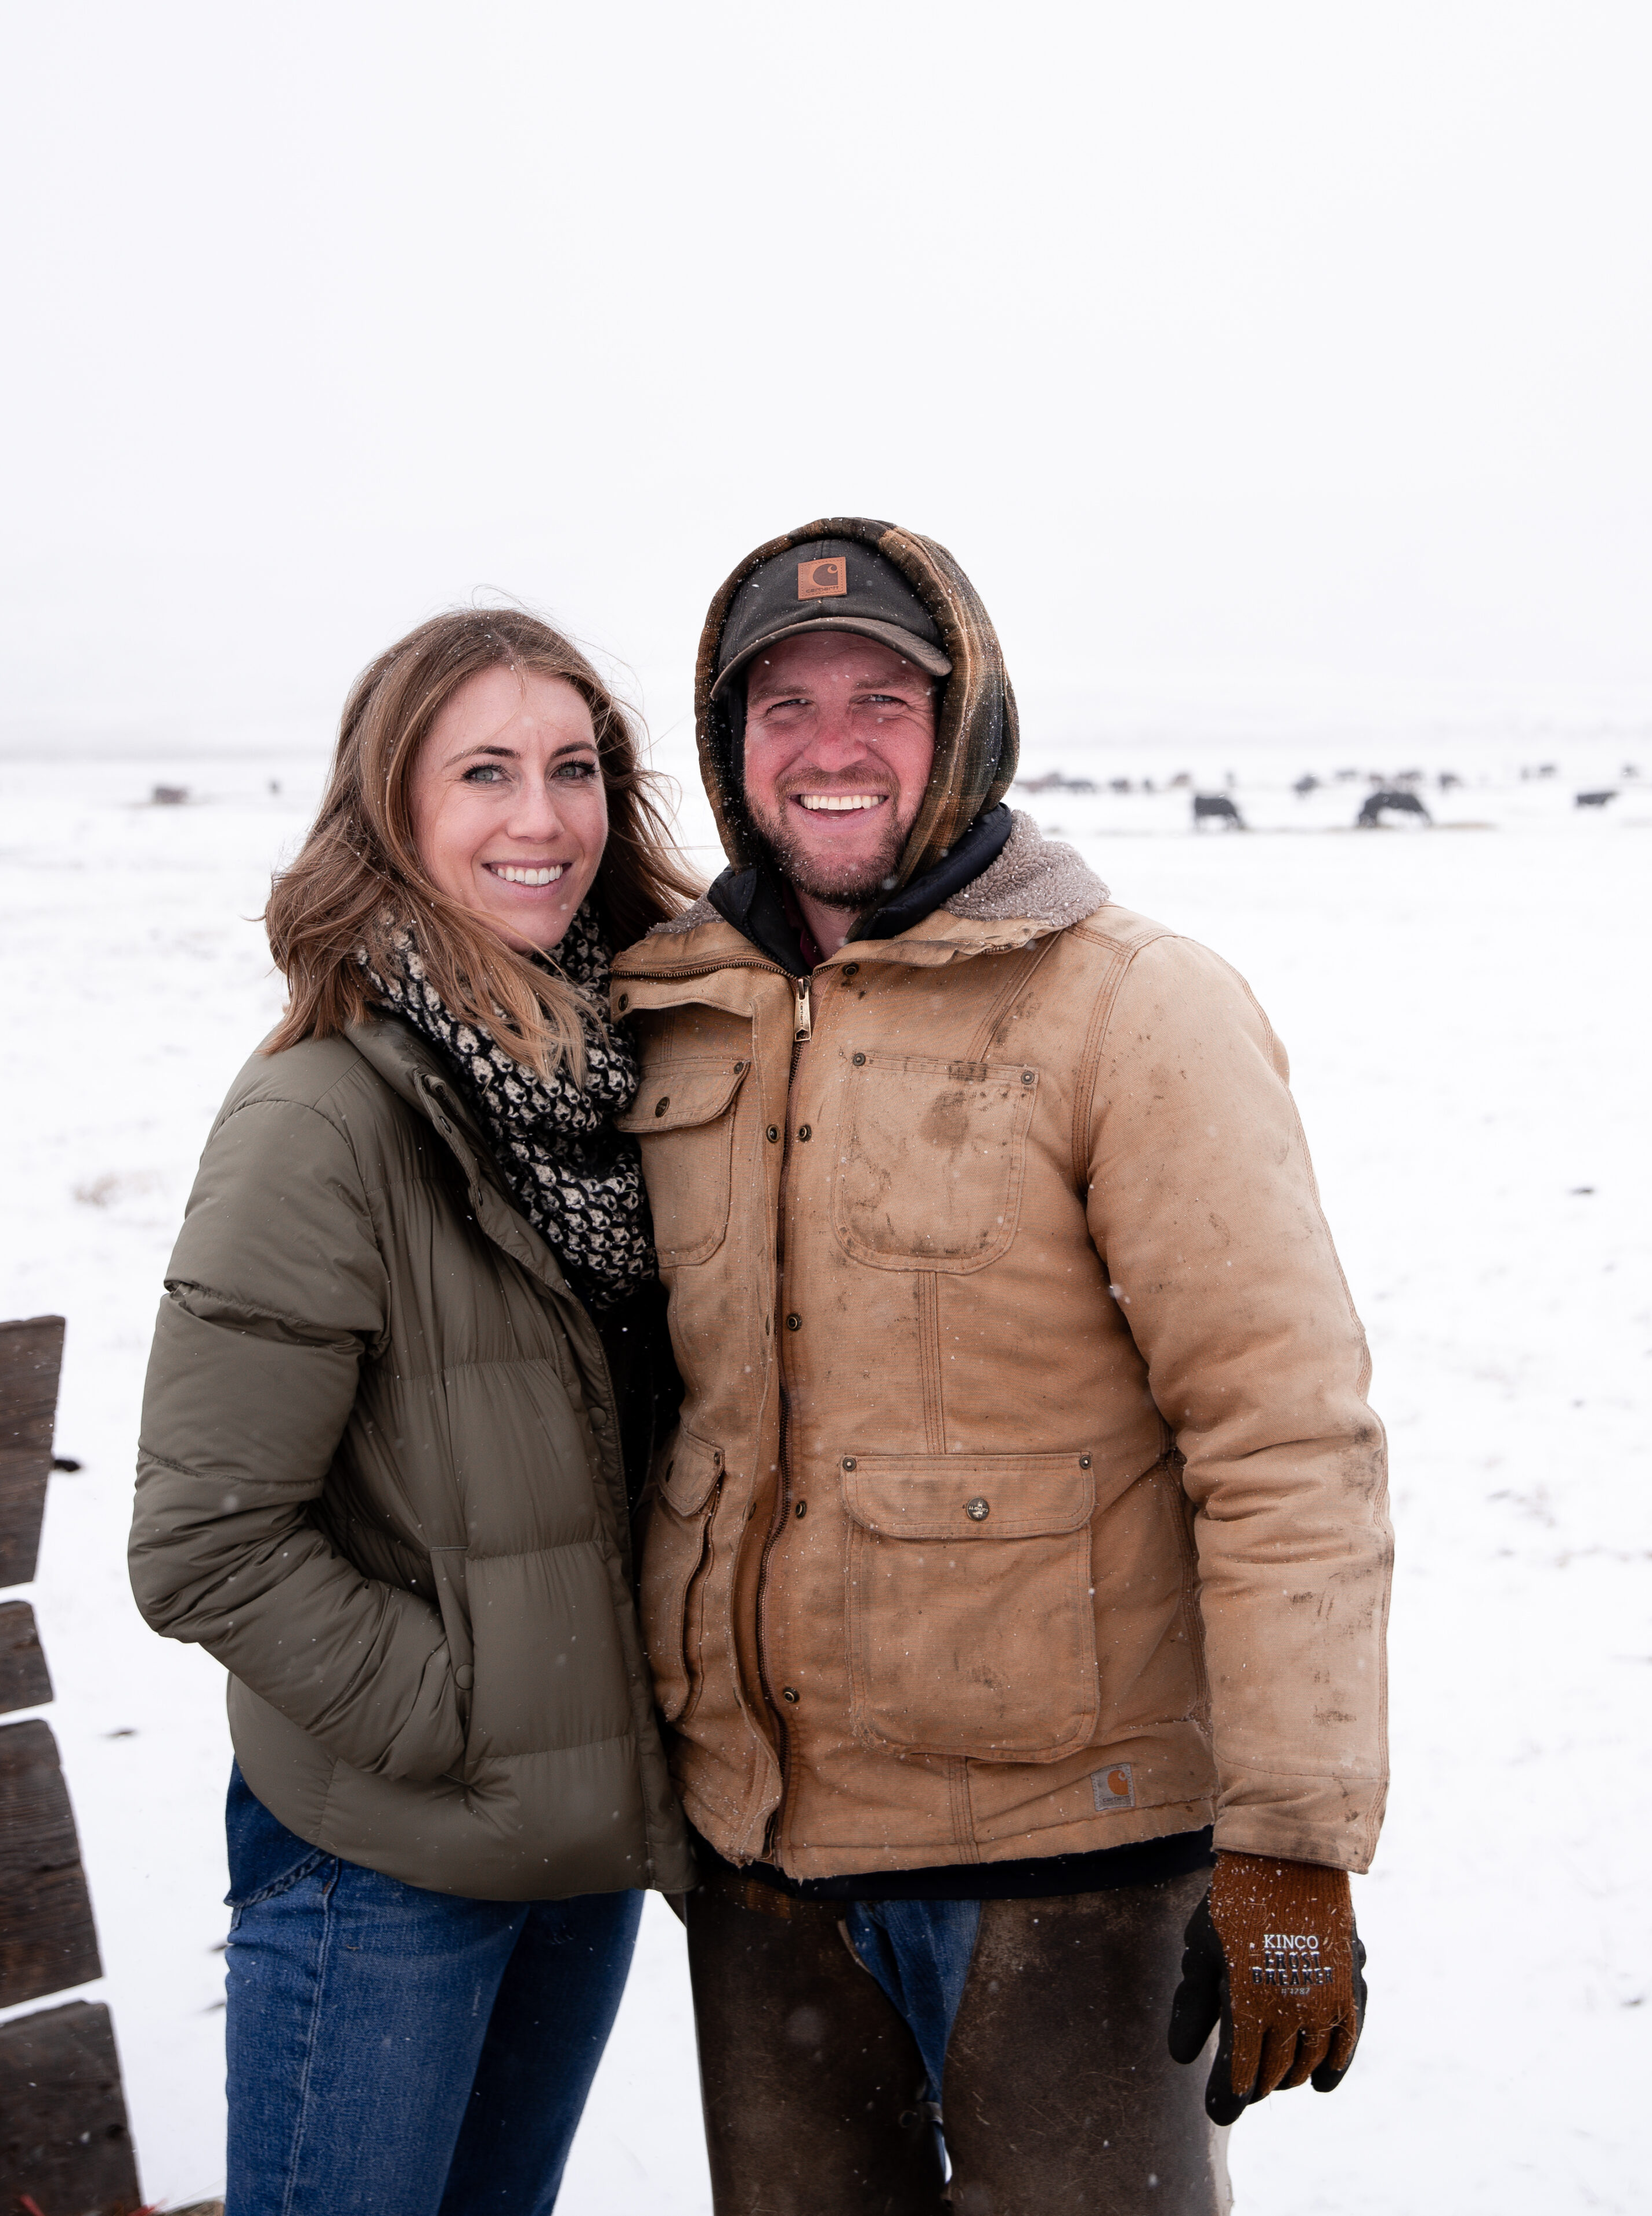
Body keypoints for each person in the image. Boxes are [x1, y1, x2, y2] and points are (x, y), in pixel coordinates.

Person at [610, 520, 1393, 2213]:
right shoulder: (672, 1014)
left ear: (964, 722)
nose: (830, 745)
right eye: (784, 703)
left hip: (1070, 1871)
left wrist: (1292, 1842)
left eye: (881, 697)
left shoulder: (1133, 1006)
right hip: (767, 1878)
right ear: (728, 744)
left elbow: (1283, 1437)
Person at [129, 609, 697, 2216]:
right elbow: (203, 1543)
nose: (543, 816)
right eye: (487, 771)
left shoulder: (621, 1084)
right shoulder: (323, 1112)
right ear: (395, 806)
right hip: (385, 1861)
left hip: (579, 1846)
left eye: (575, 767)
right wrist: (470, 1712)